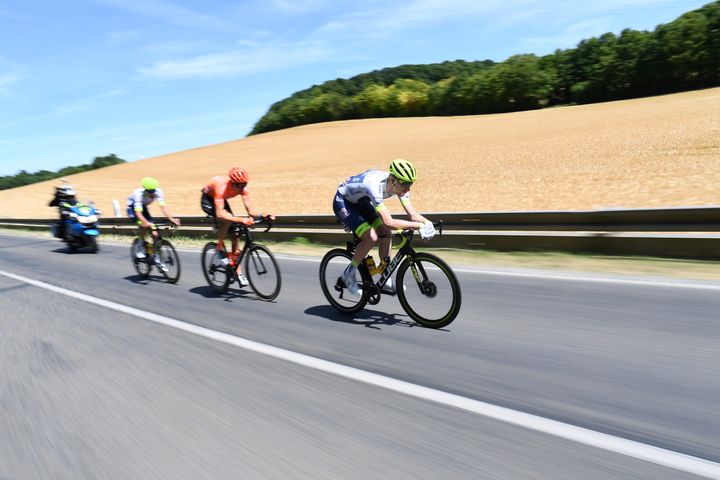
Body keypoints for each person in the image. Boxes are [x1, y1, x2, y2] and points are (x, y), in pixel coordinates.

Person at [333, 158, 436, 296]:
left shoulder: (399, 187)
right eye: (405, 184)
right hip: (343, 202)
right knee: (371, 237)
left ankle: (384, 277)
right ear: (393, 180)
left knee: (385, 232)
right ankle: (348, 274)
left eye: (410, 184)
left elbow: (413, 215)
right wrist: (418, 226)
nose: (408, 188)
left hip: (361, 201)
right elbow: (389, 221)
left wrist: (428, 223)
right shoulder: (374, 186)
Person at [200, 167, 274, 287]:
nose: (242, 188)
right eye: (239, 185)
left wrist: (263, 215)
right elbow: (220, 213)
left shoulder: (243, 188)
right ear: (232, 183)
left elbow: (250, 211)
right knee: (227, 220)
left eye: (244, 184)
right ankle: (219, 248)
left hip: (221, 199)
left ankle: (237, 271)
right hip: (208, 199)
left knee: (235, 234)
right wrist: (241, 219)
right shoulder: (221, 187)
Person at [127, 177, 181, 268]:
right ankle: (140, 247)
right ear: (145, 190)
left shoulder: (158, 192)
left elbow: (163, 207)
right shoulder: (138, 194)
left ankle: (156, 255)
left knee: (155, 234)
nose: (152, 193)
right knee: (143, 225)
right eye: (149, 191)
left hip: (143, 207)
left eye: (153, 191)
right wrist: (145, 223)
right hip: (132, 209)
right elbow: (138, 213)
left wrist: (172, 218)